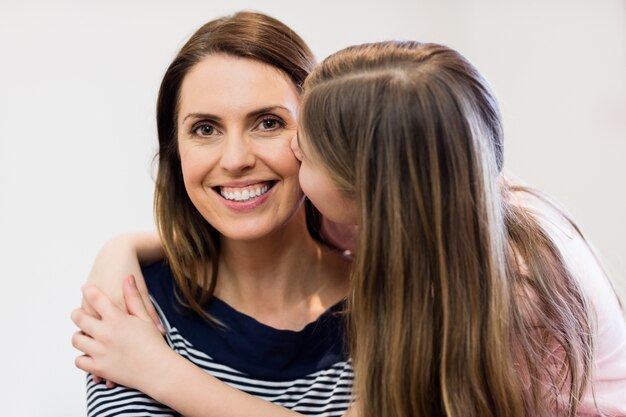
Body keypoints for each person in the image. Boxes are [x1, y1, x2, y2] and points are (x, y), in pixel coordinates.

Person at [73, 40, 626, 417]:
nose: (252, 157)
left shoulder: (505, 281)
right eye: (205, 129)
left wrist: (156, 368)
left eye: (289, 136)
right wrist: (121, 246)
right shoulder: (364, 220)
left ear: (364, 177)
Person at [71, 11, 354, 417]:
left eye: (268, 122)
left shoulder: (396, 301)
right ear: (176, 152)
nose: (236, 160)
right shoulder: (135, 310)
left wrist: (162, 373)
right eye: (205, 129)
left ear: (316, 137)